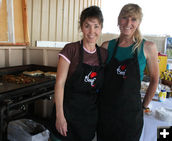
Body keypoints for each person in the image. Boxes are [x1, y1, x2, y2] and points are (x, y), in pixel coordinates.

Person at [97, 3, 159, 141]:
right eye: (125, 18)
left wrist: (143, 106)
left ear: (139, 22)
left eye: (134, 19)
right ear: (119, 20)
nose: (128, 23)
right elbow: (98, 79)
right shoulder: (107, 46)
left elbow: (155, 79)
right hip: (106, 113)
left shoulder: (147, 47)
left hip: (130, 116)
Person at [51, 6, 108, 141]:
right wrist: (60, 116)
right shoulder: (71, 50)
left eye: (96, 26)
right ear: (81, 27)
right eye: (87, 26)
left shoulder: (104, 54)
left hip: (88, 116)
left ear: (101, 28)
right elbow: (59, 84)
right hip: (67, 112)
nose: (92, 31)